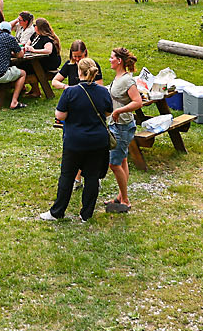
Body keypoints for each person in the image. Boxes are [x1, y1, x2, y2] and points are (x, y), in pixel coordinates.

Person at [41, 56, 113, 222]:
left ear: (79, 72)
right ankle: (86, 214)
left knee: (67, 176)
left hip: (75, 141)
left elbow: (60, 115)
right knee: (92, 177)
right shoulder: (103, 92)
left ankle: (57, 212)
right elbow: (108, 112)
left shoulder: (70, 92)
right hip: (98, 142)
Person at [105, 46, 145, 214]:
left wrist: (118, 111)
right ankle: (121, 196)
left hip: (122, 126)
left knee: (114, 164)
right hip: (118, 125)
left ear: (119, 61)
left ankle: (126, 200)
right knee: (122, 161)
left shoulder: (128, 80)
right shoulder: (119, 77)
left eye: (112, 57)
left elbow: (138, 102)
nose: (109, 60)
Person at [20, 18, 63, 97]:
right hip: (39, 60)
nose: (33, 27)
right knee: (24, 64)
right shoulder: (35, 35)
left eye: (35, 25)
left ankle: (36, 91)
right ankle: (34, 89)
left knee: (29, 67)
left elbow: (48, 50)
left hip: (49, 62)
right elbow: (27, 43)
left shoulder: (47, 39)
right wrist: (27, 47)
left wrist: (34, 50)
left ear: (39, 27)